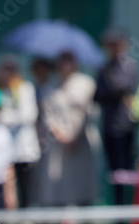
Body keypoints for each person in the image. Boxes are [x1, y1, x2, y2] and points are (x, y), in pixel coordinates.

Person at [35, 51, 98, 212]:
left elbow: (88, 112)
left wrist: (74, 137)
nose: (65, 66)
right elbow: (48, 115)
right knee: (57, 180)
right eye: (62, 62)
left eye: (68, 62)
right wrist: (61, 135)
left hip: (81, 140)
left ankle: (87, 220)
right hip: (58, 142)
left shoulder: (87, 83)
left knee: (83, 182)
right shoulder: (52, 86)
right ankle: (60, 222)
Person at [95, 27, 139, 208]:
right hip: (109, 126)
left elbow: (122, 88)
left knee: (127, 171)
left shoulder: (128, 66)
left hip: (126, 127)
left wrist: (110, 90)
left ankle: (129, 212)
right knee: (114, 173)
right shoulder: (103, 68)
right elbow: (97, 95)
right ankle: (118, 216)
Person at [0, 57, 40, 209]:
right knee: (7, 187)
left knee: (27, 186)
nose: (8, 74)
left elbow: (28, 115)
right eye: (5, 70)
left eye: (11, 70)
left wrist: (8, 116)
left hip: (25, 148)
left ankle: (27, 219)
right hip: (5, 151)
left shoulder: (25, 88)